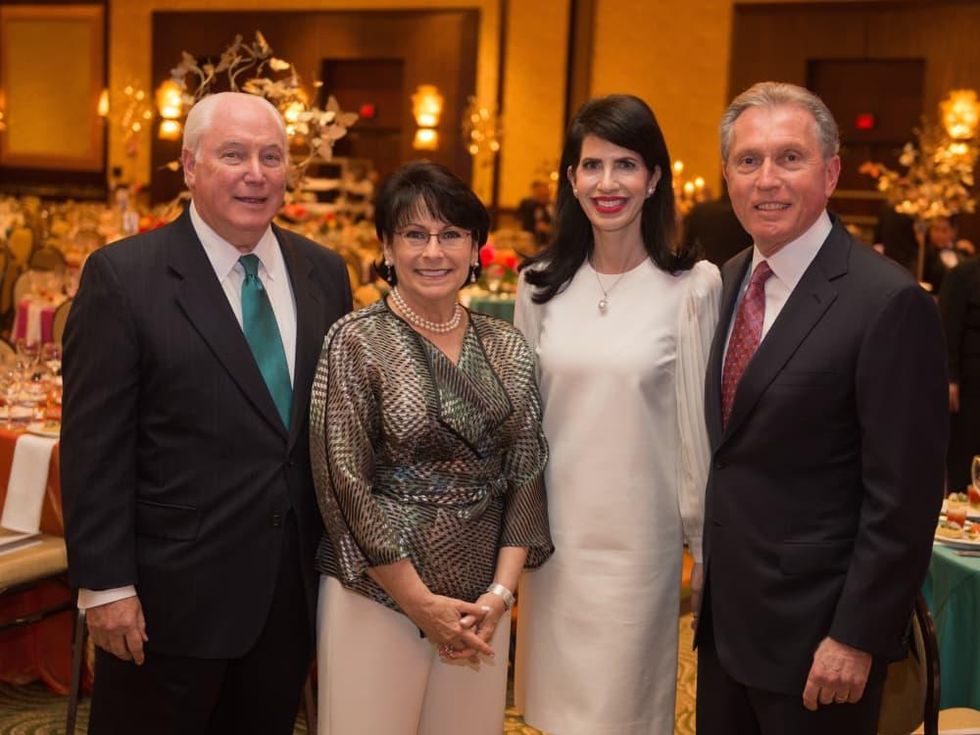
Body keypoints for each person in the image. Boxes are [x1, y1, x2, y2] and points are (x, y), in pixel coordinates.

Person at [61, 92, 351, 734]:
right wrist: (106, 587)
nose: (255, 172)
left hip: (286, 595)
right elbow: (93, 447)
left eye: (271, 157)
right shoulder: (123, 278)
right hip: (167, 603)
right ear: (190, 167)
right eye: (233, 154)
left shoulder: (325, 274)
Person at [696, 82, 947, 735]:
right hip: (726, 633)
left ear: (831, 172)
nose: (766, 180)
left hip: (821, 648)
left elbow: (905, 496)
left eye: (789, 158)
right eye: (748, 161)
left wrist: (857, 635)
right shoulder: (720, 284)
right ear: (727, 175)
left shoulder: (886, 301)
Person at [310, 161, 552, 735]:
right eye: (414, 235)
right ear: (386, 249)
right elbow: (344, 480)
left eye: (451, 235)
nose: (433, 252)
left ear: (476, 249)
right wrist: (420, 603)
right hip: (375, 593)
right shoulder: (356, 339)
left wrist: (499, 594)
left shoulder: (506, 345)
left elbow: (526, 470)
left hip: (479, 606)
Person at [513, 94, 720, 734]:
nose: (608, 183)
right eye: (592, 166)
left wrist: (703, 547)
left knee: (624, 715)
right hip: (555, 548)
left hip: (640, 551)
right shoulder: (538, 284)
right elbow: (524, 425)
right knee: (554, 713)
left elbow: (699, 435)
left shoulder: (694, 287)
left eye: (626, 165)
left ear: (654, 178)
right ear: (571, 181)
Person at [940, 257, 980, 491]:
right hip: (969, 389)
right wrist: (949, 377)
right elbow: (947, 328)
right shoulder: (962, 275)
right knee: (965, 463)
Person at [681, 190, 753, 266]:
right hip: (742, 271)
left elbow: (686, 248)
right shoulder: (751, 215)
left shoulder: (700, 211)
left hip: (706, 273)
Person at [922, 215, 973, 294]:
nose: (939, 234)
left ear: (953, 232)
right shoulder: (923, 253)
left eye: (944, 230)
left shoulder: (962, 252)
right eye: (935, 229)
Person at [517, 179, 555, 246]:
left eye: (546, 195)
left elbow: (556, 222)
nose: (544, 197)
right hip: (530, 238)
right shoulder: (528, 205)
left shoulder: (552, 206)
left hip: (549, 239)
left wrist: (549, 228)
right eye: (541, 195)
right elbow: (521, 220)